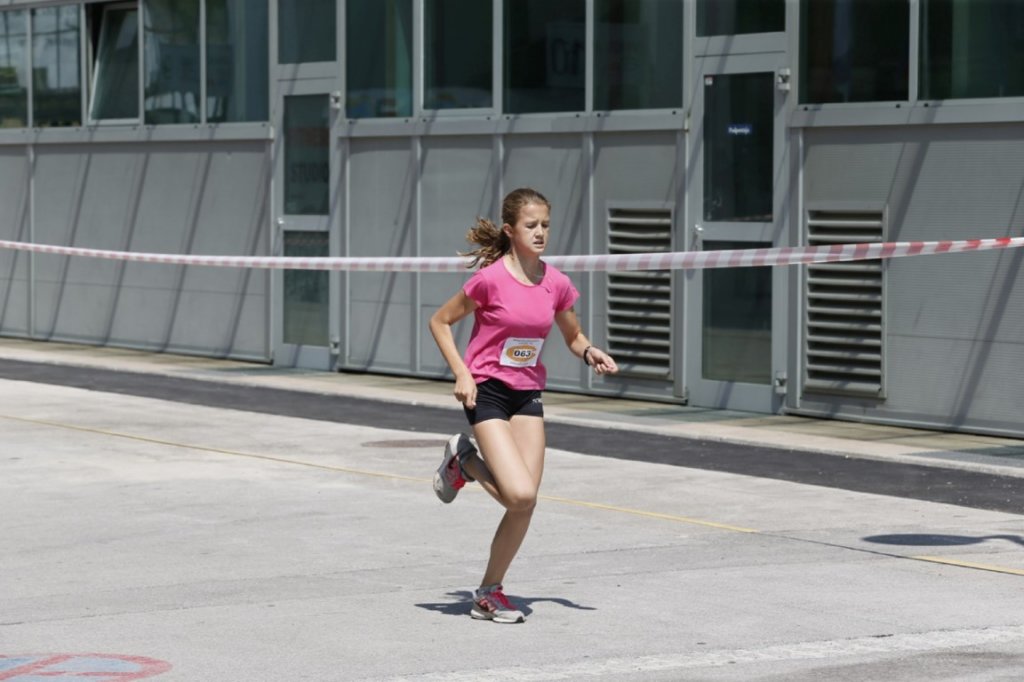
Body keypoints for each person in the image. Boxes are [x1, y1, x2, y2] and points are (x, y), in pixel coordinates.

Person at [428, 187, 618, 624]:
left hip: (527, 392)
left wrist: (591, 352)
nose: (540, 233)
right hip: (488, 389)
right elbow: (439, 321)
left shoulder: (556, 283)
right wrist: (462, 372)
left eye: (546, 225)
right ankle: (465, 459)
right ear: (511, 231)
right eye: (531, 225)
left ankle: (488, 593)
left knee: (524, 503)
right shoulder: (490, 279)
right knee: (519, 494)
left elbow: (573, 336)